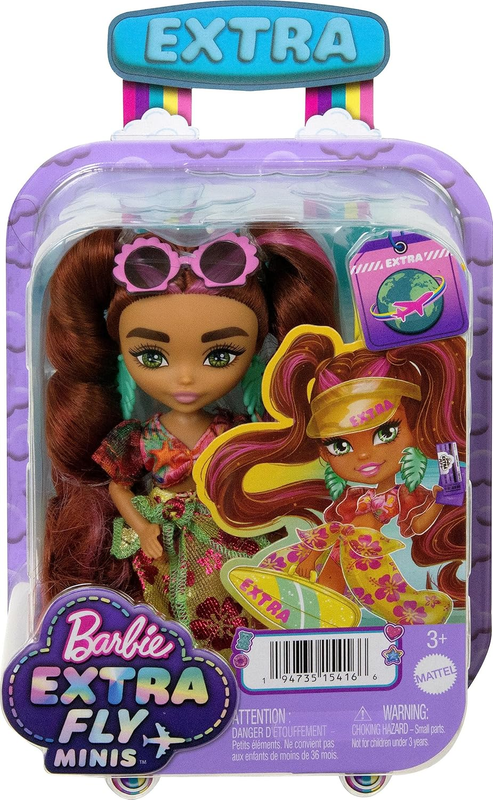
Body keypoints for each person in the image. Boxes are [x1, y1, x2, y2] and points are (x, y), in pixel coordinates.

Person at [43, 227, 337, 653]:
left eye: (220, 355)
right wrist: (143, 527)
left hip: (225, 529)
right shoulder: (138, 436)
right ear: (121, 352)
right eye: (152, 356)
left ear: (257, 350)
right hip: (164, 534)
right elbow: (119, 486)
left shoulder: (235, 428)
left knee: (238, 598)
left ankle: (243, 654)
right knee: (163, 607)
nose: (184, 378)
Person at [203, 328, 466, 625]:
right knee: (314, 569)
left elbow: (417, 524)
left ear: (416, 427)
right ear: (324, 452)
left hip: (368, 554)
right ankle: (311, 602)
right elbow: (336, 528)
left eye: (385, 433)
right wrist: (312, 555)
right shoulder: (354, 495)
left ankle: (341, 609)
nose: (363, 456)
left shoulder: (405, 492)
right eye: (340, 445)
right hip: (338, 542)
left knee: (390, 599)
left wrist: (443, 497)